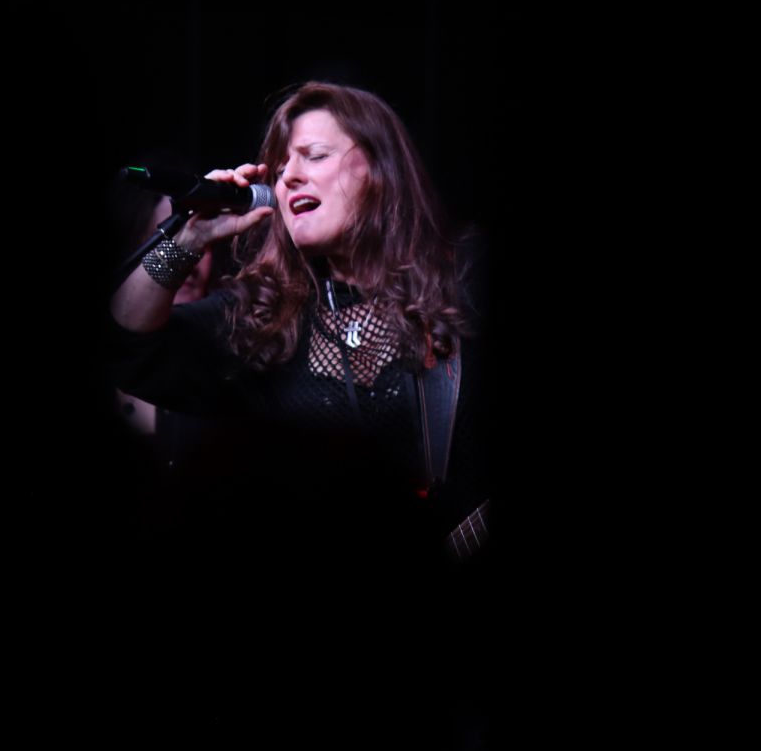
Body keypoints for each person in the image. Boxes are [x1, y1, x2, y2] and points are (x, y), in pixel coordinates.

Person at [107, 80, 490, 573]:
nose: (289, 176)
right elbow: (126, 342)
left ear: (380, 168)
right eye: (282, 167)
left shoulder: (467, 280)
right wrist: (188, 241)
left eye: (314, 156)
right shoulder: (262, 319)